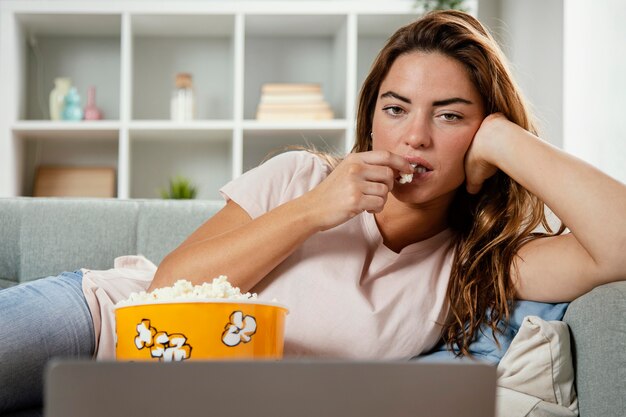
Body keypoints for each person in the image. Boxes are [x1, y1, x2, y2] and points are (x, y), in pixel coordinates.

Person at [1, 9, 625, 414]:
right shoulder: (301, 177)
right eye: (395, 108)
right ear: (370, 117)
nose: (414, 137)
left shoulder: (474, 266)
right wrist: (314, 210)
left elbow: (618, 246)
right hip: (98, 321)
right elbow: (167, 289)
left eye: (450, 115)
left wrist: (505, 142)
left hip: (181, 398)